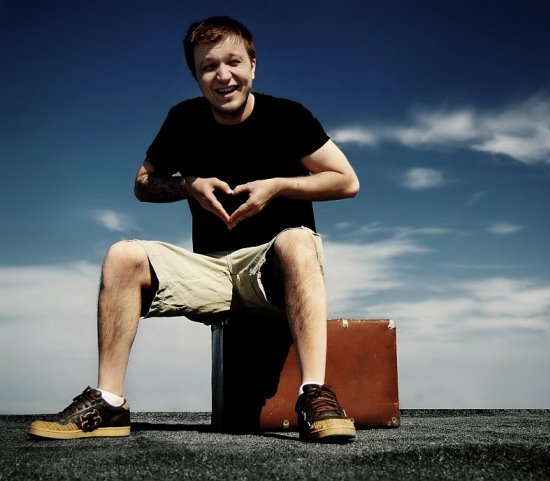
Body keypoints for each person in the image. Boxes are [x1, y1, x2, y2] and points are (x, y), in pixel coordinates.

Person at [27, 15, 360, 443]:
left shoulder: (288, 116)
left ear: (252, 65)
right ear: (196, 76)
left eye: (233, 62)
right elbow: (142, 184)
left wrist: (277, 187)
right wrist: (189, 186)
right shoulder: (183, 120)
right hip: (210, 271)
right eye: (209, 66)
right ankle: (109, 402)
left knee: (297, 239)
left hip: (270, 274)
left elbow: (346, 181)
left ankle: (314, 394)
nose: (223, 75)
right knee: (122, 255)